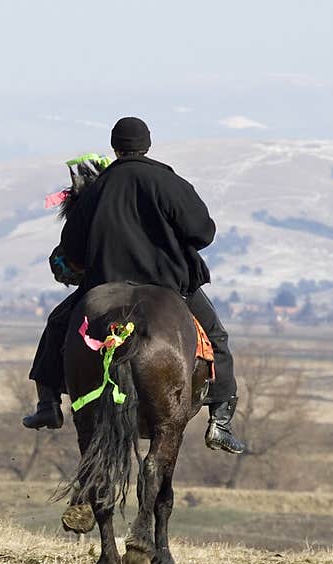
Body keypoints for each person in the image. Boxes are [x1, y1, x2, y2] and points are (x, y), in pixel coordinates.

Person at [22, 116, 246, 454]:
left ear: (115, 148)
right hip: (169, 284)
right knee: (216, 337)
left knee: (56, 325)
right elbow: (203, 232)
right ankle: (219, 421)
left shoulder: (96, 188)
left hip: (104, 283)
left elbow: (71, 247)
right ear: (147, 146)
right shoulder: (169, 182)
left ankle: (48, 404)